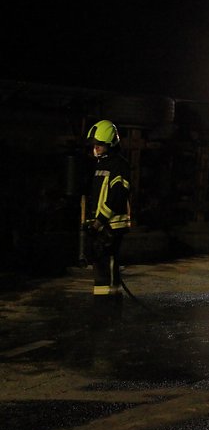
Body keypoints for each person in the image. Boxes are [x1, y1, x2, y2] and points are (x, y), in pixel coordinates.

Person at [83, 120, 131, 307]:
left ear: (110, 144)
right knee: (102, 265)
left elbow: (117, 195)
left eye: (99, 145)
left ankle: (107, 307)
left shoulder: (119, 165)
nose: (95, 148)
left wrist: (99, 221)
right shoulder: (100, 164)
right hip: (102, 223)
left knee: (106, 265)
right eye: (94, 145)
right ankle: (107, 305)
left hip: (112, 224)